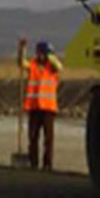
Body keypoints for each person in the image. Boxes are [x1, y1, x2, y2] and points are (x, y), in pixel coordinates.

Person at [18, 38, 63, 170]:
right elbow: (21, 62)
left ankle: (47, 164)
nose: (41, 55)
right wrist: (22, 49)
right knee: (33, 138)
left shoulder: (52, 68)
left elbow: (60, 66)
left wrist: (51, 55)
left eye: (43, 53)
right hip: (34, 108)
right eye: (40, 53)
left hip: (48, 109)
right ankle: (33, 163)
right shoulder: (32, 65)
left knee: (48, 140)